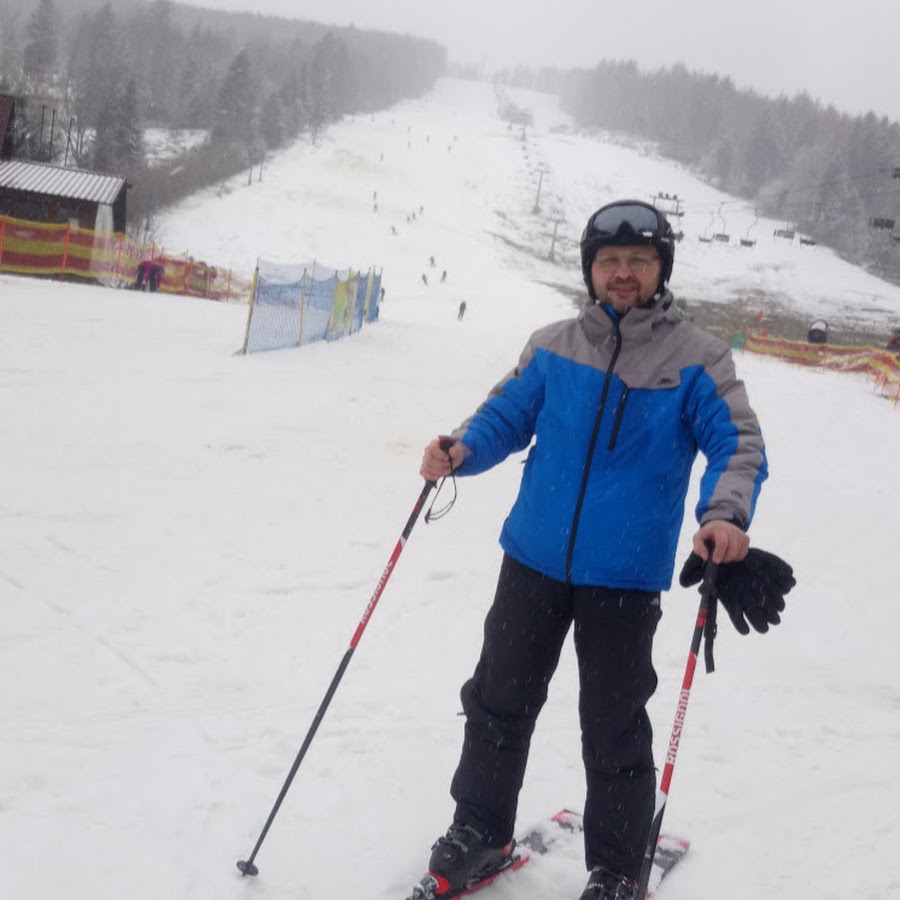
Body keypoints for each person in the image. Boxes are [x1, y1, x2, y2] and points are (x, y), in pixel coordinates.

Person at [415, 200, 789, 900]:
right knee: (497, 701)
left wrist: (725, 515)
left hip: (624, 575)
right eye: (610, 261)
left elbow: (738, 443)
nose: (623, 273)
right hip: (532, 560)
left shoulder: (697, 358)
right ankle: (480, 829)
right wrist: (460, 449)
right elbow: (504, 416)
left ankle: (616, 866)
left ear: (660, 270)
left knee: (614, 725)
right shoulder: (553, 345)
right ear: (590, 269)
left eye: (638, 261)